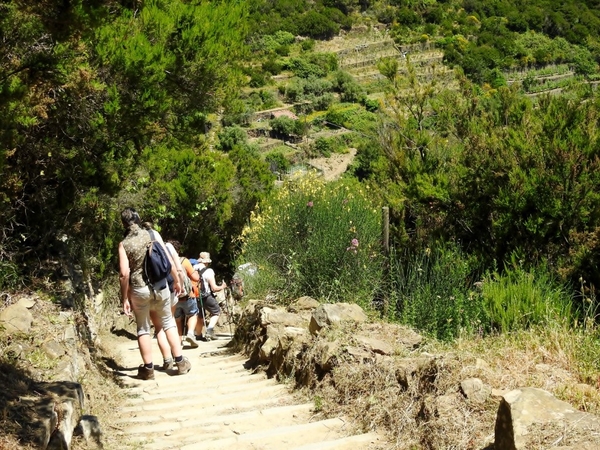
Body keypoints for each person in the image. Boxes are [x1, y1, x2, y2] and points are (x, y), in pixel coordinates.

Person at [118, 208, 191, 379]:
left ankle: (148, 369)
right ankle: (180, 362)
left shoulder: (123, 244)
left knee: (143, 328)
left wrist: (124, 298)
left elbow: (124, 274)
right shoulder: (152, 235)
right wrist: (177, 280)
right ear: (138, 218)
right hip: (161, 286)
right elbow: (168, 260)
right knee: (168, 322)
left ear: (123, 224)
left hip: (139, 289)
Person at [170, 241, 200, 348]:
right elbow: (195, 278)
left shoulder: (165, 261)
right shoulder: (183, 261)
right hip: (187, 295)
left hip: (173, 297)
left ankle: (178, 342)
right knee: (193, 314)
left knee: (177, 319)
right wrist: (196, 273)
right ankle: (190, 333)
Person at [193, 252, 226, 340]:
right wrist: (222, 286)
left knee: (199, 315)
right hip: (205, 296)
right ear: (207, 262)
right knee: (216, 311)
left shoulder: (193, 269)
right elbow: (214, 288)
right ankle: (209, 330)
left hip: (194, 296)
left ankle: (198, 335)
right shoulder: (209, 271)